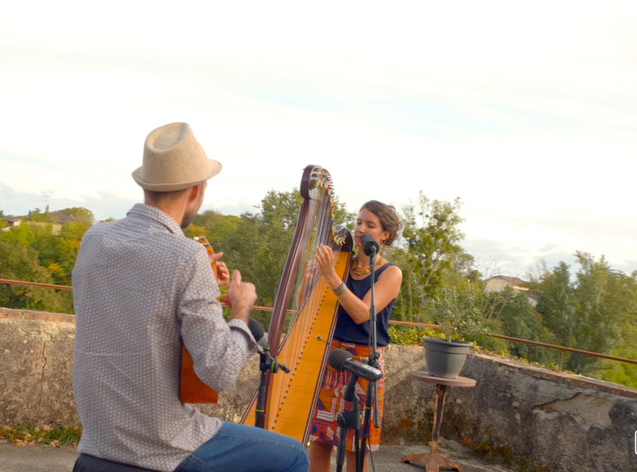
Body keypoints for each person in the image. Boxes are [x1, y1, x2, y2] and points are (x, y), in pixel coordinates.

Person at [72, 122, 310, 472]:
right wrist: (241, 308)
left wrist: (204, 296)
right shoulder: (186, 256)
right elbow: (218, 371)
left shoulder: (94, 240)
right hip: (163, 445)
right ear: (197, 191)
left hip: (99, 441)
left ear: (146, 185)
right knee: (293, 456)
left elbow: (138, 310)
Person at [307, 200, 403, 472]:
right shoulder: (340, 264)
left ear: (385, 234)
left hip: (363, 363)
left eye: (370, 225)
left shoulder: (391, 273)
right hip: (331, 356)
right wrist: (310, 280)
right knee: (321, 439)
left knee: (354, 447)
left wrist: (331, 278)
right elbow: (315, 307)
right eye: (359, 222)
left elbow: (362, 313)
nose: (361, 229)